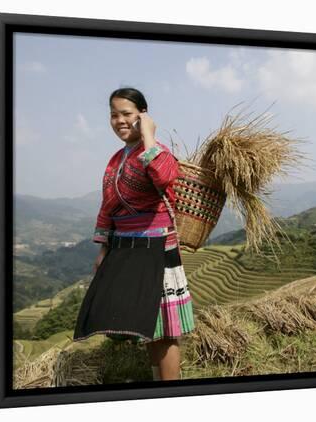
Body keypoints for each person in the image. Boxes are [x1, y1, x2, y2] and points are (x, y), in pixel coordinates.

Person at [72, 87, 196, 382]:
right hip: (125, 248)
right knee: (146, 325)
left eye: (126, 114)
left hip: (156, 248)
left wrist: (149, 135)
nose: (119, 120)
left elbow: (165, 176)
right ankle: (157, 383)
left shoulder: (157, 150)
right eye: (114, 115)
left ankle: (170, 392)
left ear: (142, 115)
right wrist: (103, 250)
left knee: (164, 331)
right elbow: (108, 204)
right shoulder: (117, 158)